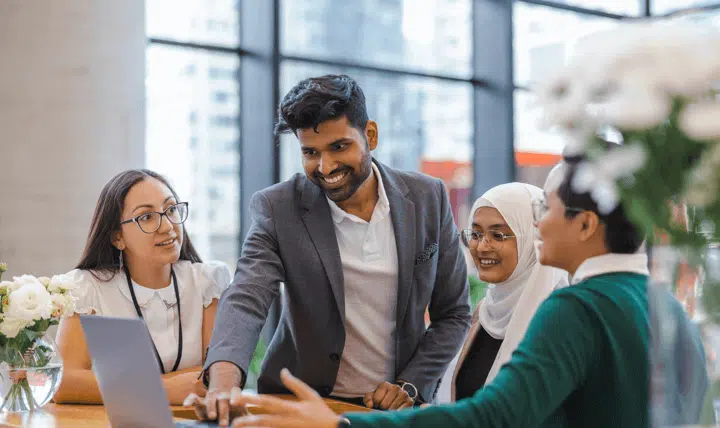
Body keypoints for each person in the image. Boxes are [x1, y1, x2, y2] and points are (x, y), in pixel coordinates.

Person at [225, 146, 695, 427]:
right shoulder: (668, 309)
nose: (540, 226)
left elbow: (493, 417)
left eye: (546, 211)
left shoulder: (574, 309)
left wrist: (344, 424)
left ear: (587, 224)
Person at [187, 74, 471, 425]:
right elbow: (246, 297)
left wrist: (410, 385)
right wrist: (223, 383)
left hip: (392, 410)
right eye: (310, 152)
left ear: (370, 136)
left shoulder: (428, 197)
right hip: (301, 403)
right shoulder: (278, 208)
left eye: (339, 147)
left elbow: (454, 313)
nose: (325, 168)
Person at [53, 169, 231, 405]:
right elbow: (64, 383)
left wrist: (112, 385)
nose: (167, 226)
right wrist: (163, 389)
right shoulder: (88, 288)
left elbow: (215, 376)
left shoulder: (207, 282)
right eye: (147, 217)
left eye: (171, 209)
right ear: (117, 237)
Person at [451, 182, 568, 401]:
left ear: (533, 240)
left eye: (498, 236)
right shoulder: (485, 313)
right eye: (476, 234)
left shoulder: (558, 322)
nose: (482, 246)